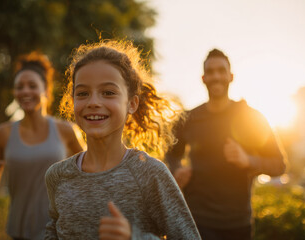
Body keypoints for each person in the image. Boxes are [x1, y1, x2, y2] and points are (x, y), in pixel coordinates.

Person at [44, 40, 201, 240]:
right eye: (83, 93)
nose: (93, 102)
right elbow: (52, 232)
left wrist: (133, 237)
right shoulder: (57, 176)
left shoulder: (150, 174)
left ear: (132, 103)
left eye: (108, 93)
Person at [165, 49, 287, 240]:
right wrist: (177, 169)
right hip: (197, 219)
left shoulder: (251, 117)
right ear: (203, 78)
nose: (216, 76)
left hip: (238, 224)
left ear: (231, 76)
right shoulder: (188, 118)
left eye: (221, 71)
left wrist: (248, 160)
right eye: (211, 72)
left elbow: (279, 165)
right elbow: (171, 154)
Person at [0, 52, 82, 240]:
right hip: (18, 232)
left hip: (60, 231)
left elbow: (89, 177)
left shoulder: (66, 130)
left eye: (32, 86)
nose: (25, 91)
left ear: (46, 90)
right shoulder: (3, 133)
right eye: (19, 87)